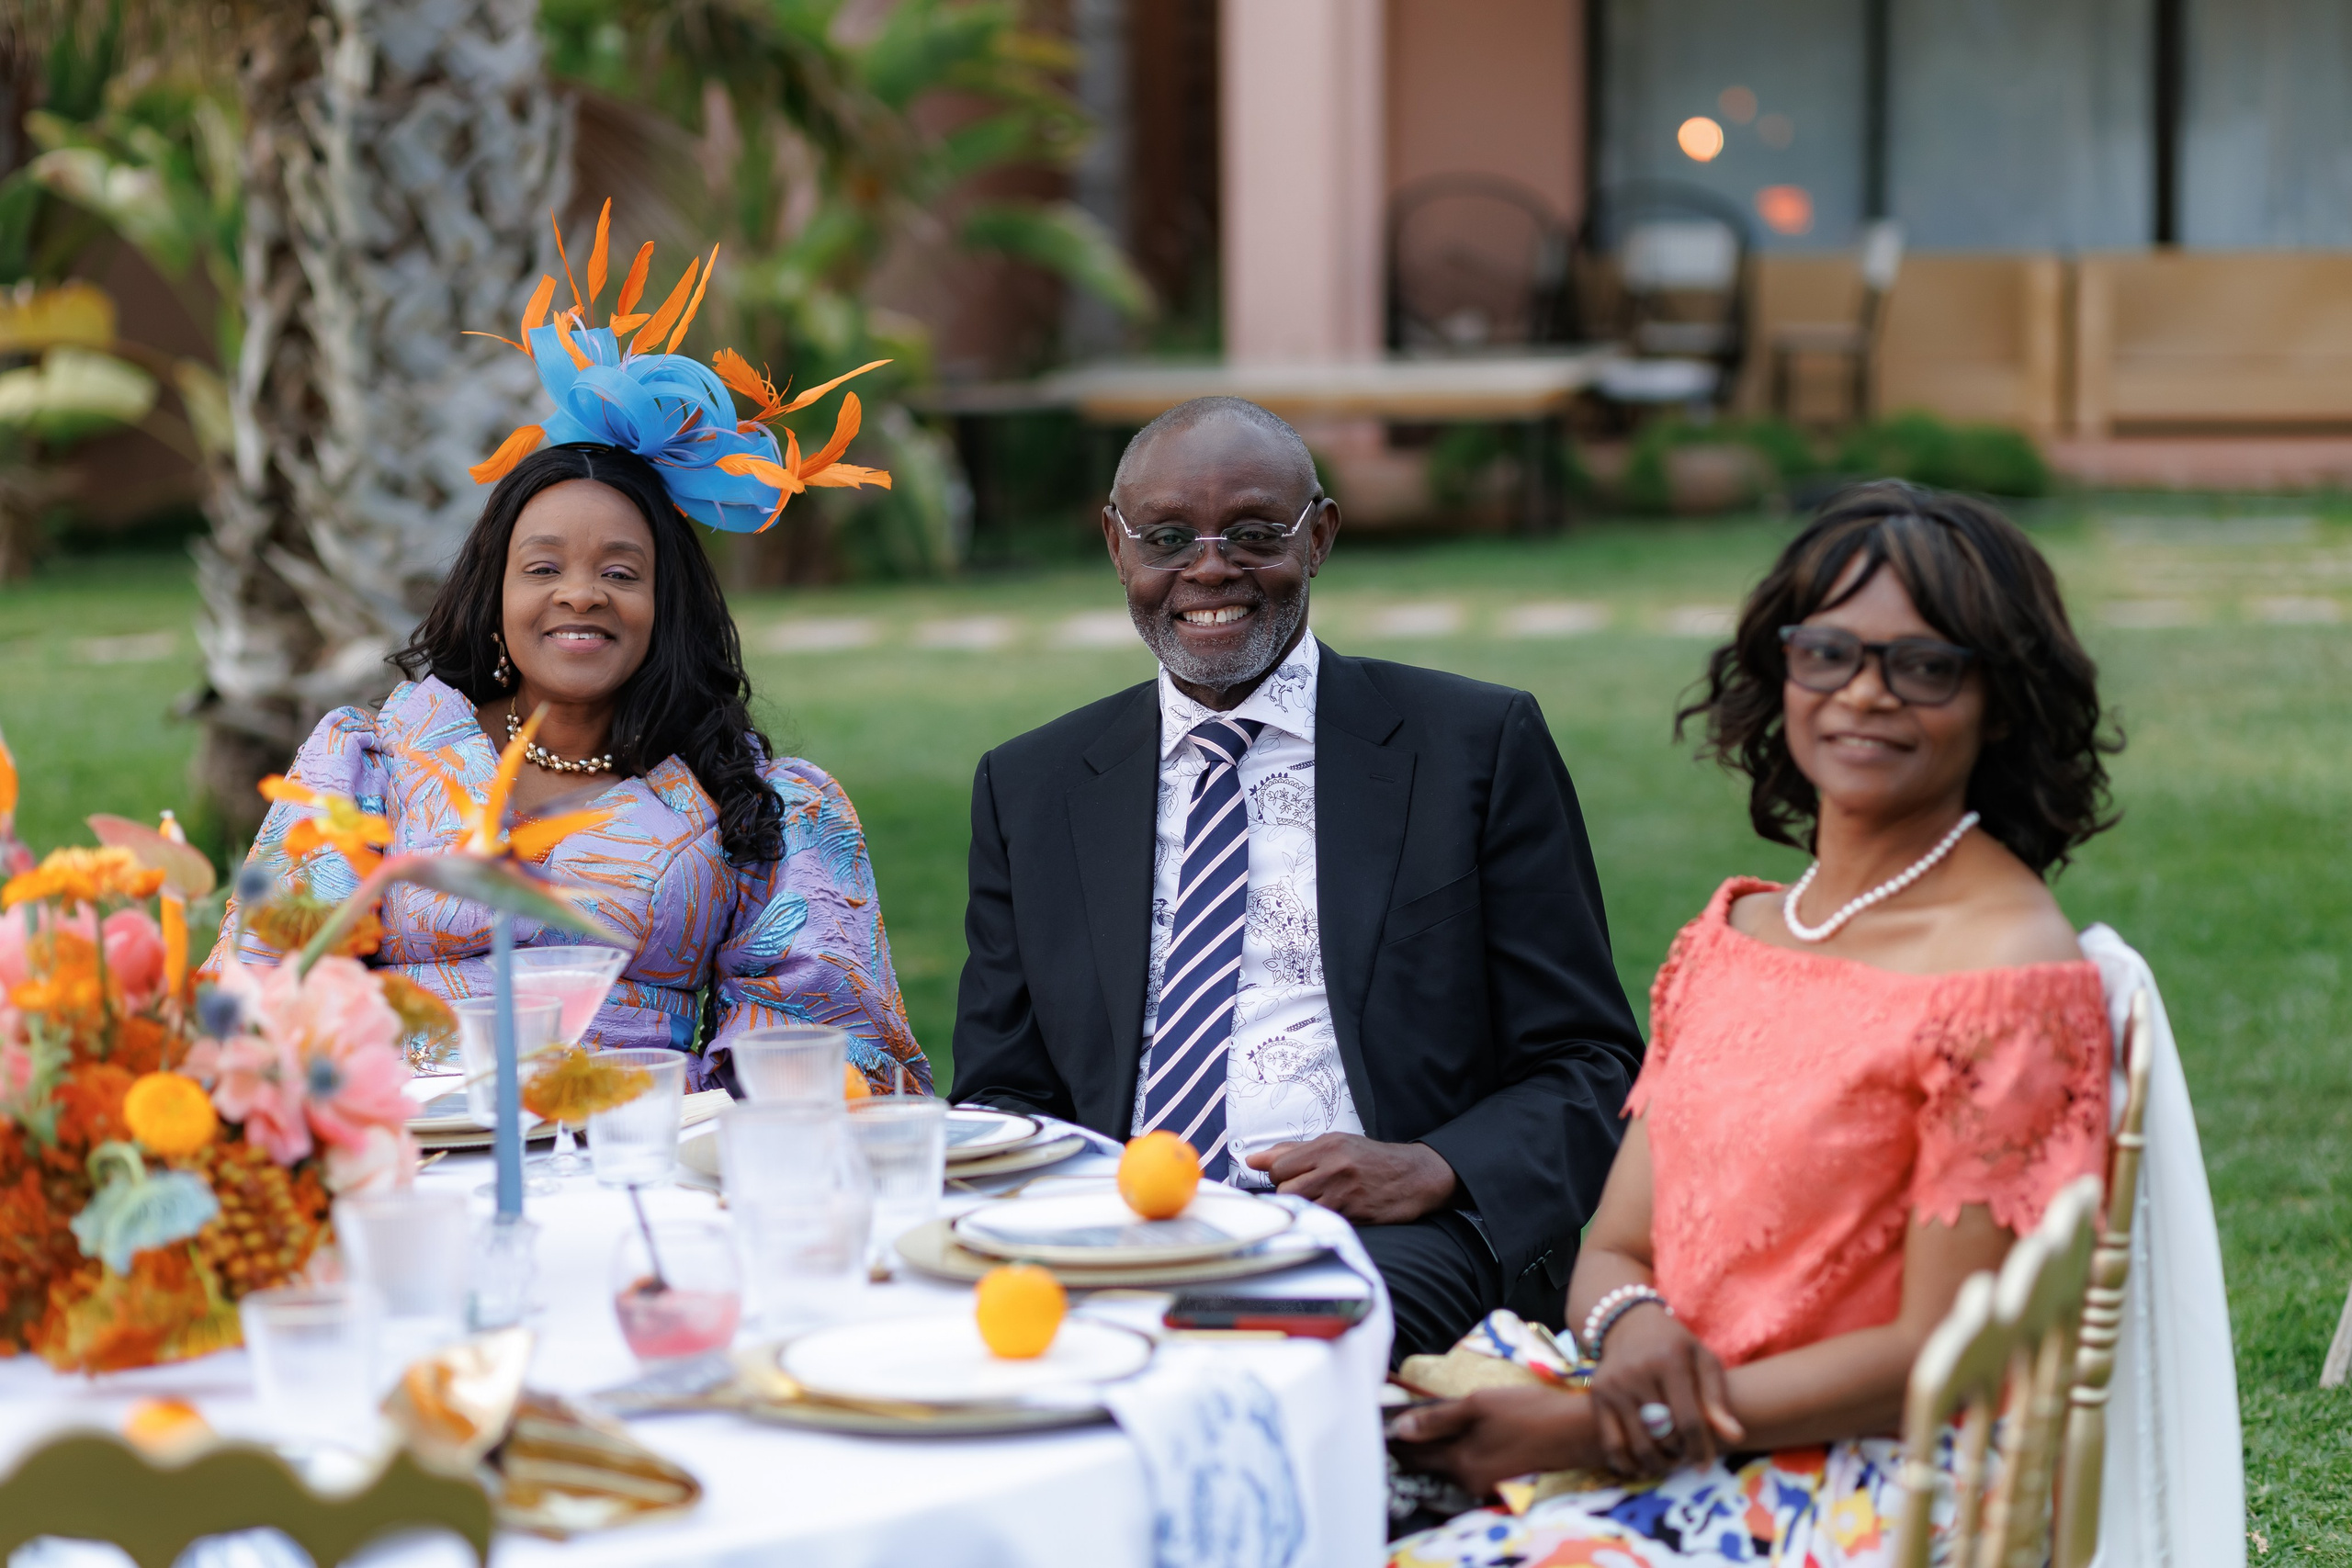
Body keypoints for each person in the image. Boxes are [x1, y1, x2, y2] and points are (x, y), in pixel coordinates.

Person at [1388, 480, 2120, 1565]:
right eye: (1827, 653)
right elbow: (1618, 1243)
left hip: (1860, 1475)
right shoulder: (1742, 933)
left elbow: (1936, 1352)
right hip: (1658, 1405)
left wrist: (1604, 1425)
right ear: (1781, 671)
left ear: (1998, 701)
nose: (1864, 695)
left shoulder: (2007, 974)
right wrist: (1632, 1330)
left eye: (1922, 666)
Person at [950, 396, 1645, 1359]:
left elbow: (1591, 1065)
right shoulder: (1032, 787)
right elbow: (1002, 1097)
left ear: (1318, 537)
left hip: (1393, 1236)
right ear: (1116, 548)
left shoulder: (1469, 749)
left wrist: (1435, 1165)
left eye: (1252, 533)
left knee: (1237, 1350)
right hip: (1116, 1234)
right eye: (1165, 537)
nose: (1207, 568)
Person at [217, 219, 924, 1093]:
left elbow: (826, 1039)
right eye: (543, 567)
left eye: (620, 571)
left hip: (641, 1159)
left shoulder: (758, 804)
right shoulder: (372, 767)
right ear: (495, 593)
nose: (580, 594)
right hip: (411, 1152)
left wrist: (692, 1130)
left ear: (667, 604)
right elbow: (266, 989)